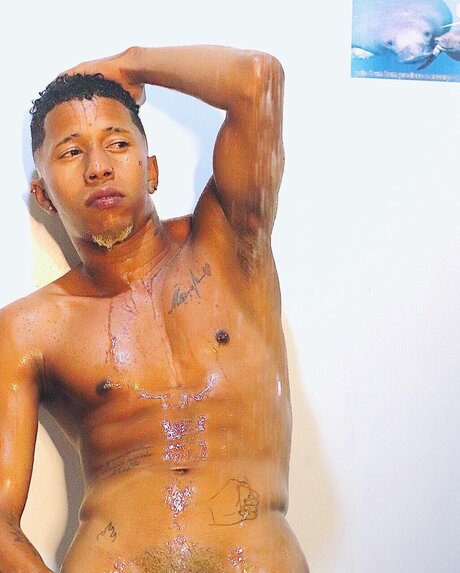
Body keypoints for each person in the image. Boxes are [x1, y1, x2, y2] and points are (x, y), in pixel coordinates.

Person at [0, 45, 309, 572]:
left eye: (118, 144)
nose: (98, 167)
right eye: (71, 153)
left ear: (152, 170)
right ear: (43, 195)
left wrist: (132, 64)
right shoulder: (28, 328)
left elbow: (258, 80)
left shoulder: (233, 245)